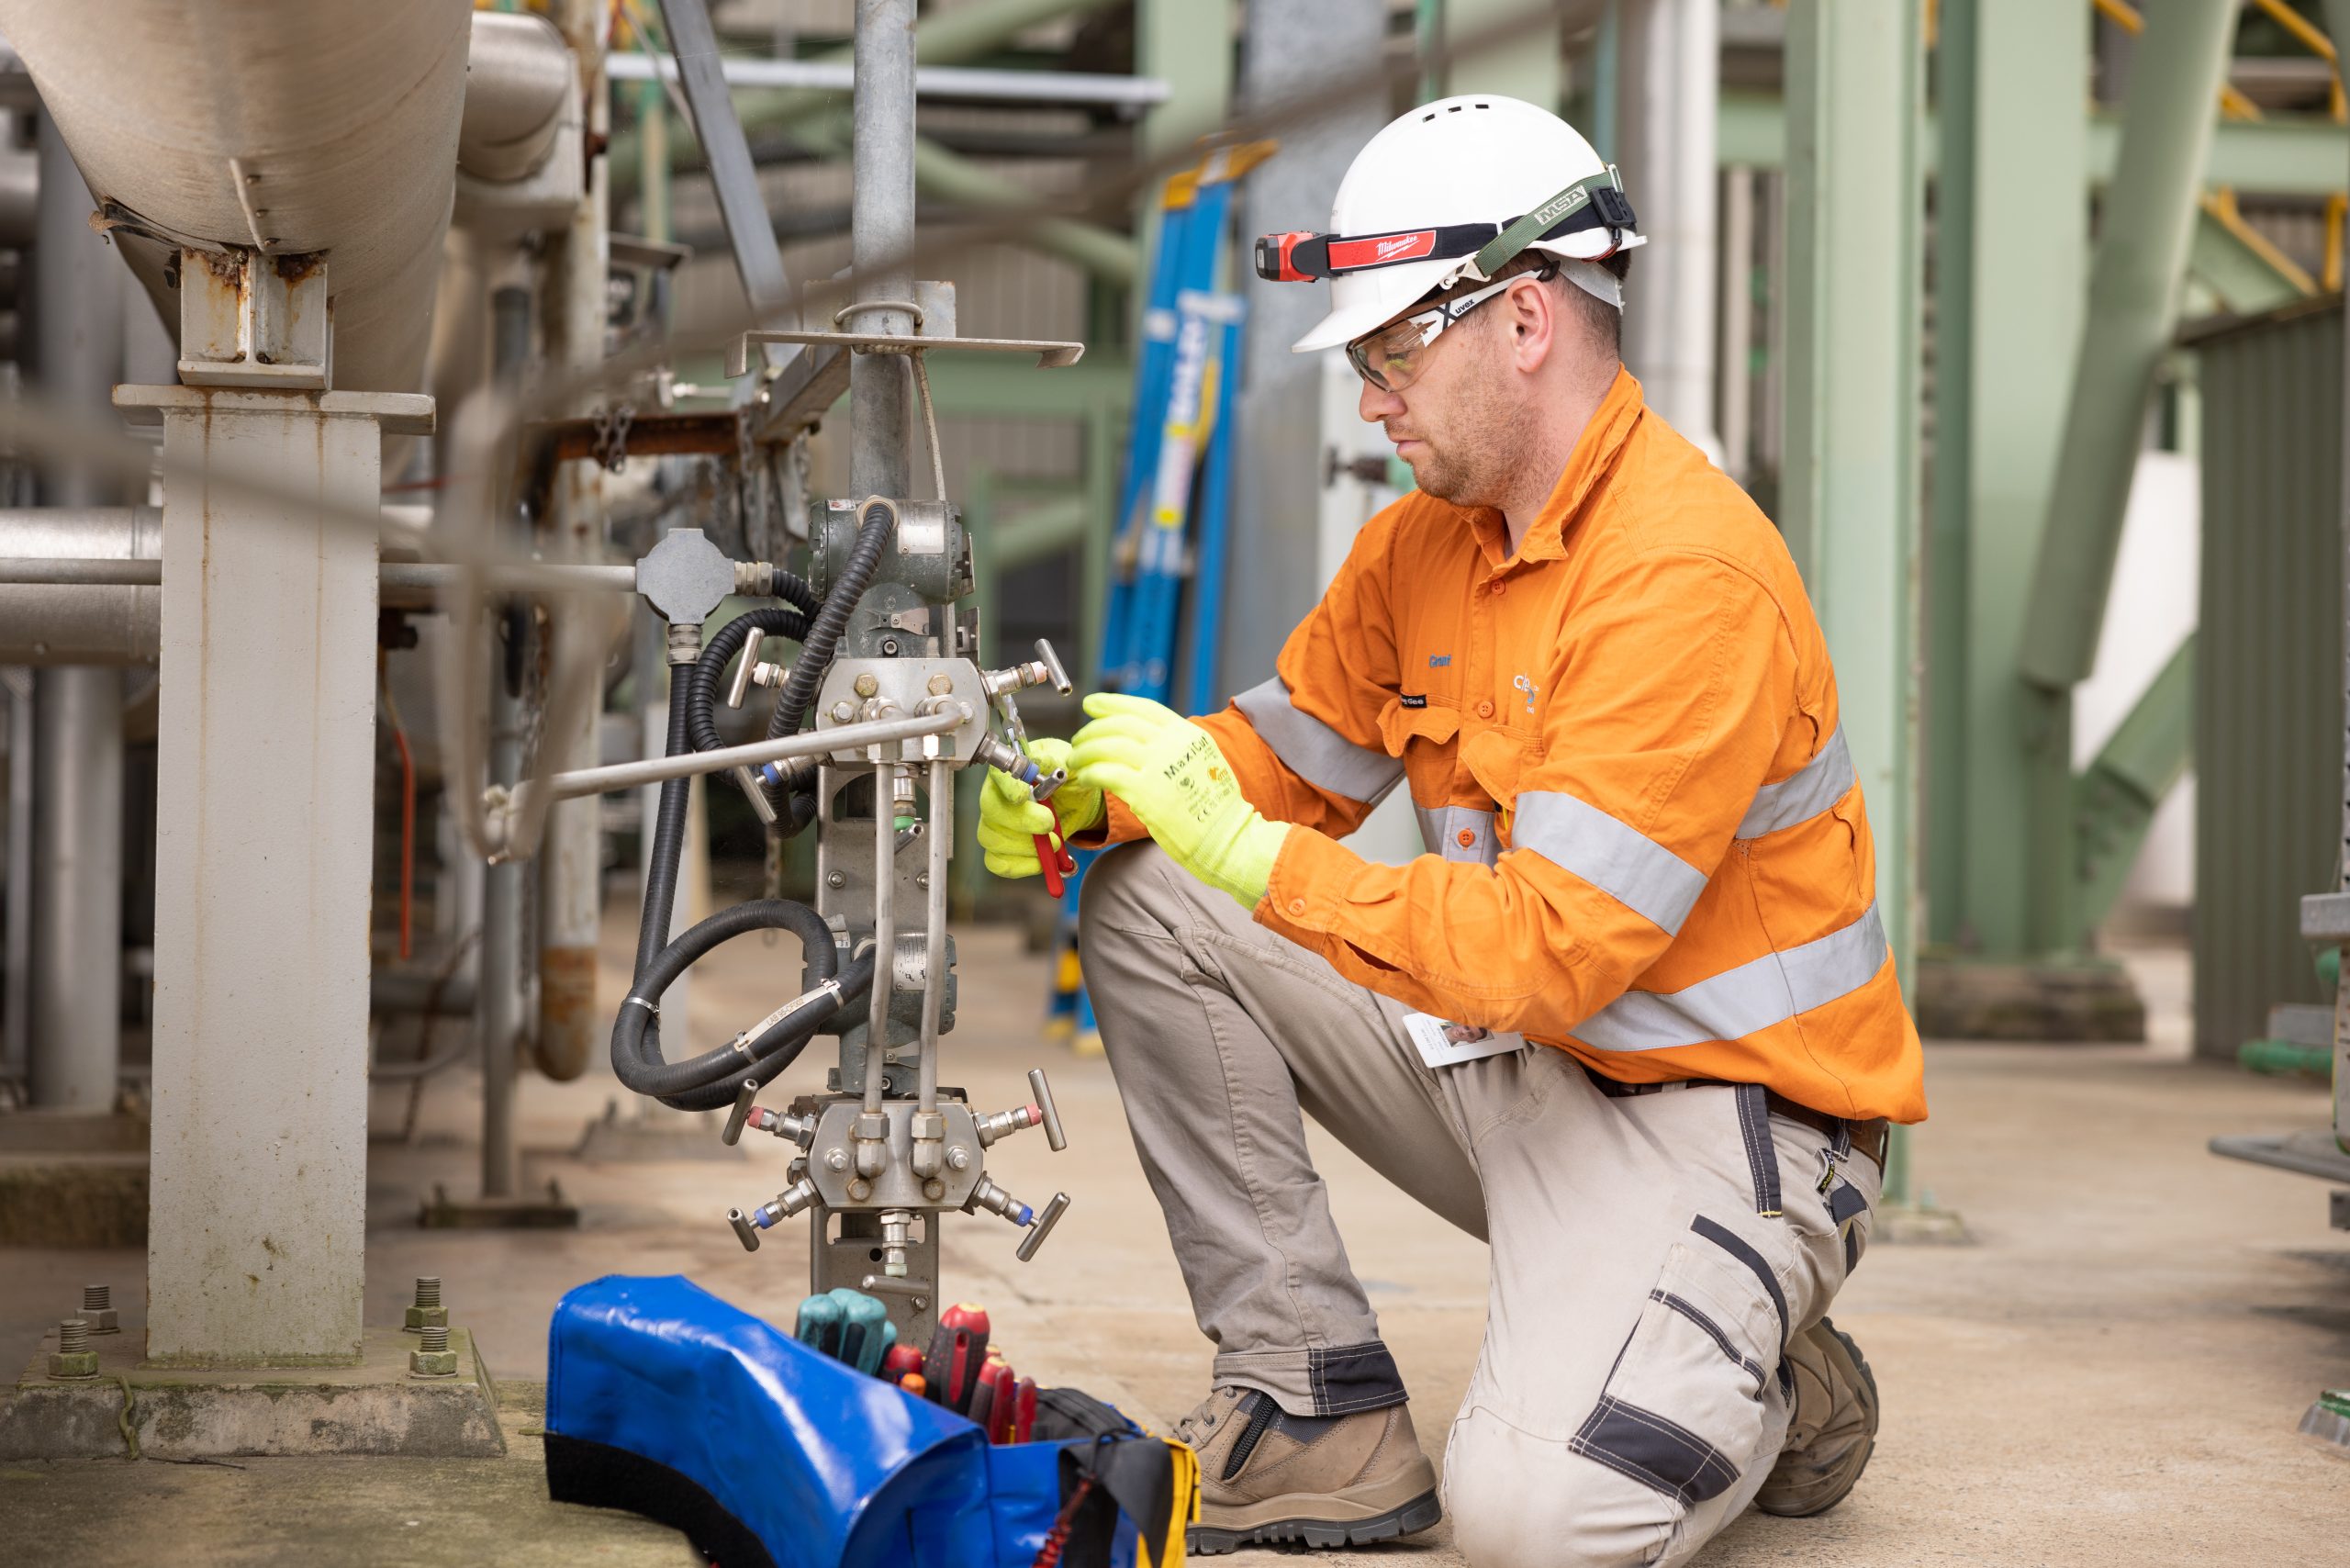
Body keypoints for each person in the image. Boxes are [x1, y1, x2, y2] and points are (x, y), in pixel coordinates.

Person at [979, 95, 1925, 1566]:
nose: (1371, 394)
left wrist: (1262, 857)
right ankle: (1315, 1411)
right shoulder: (1427, 543)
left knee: (1537, 1525)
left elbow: (1546, 951)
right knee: (1154, 894)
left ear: (1528, 318)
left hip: (1725, 1121)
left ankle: (1757, 1355)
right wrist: (1092, 798)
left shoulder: (1685, 577)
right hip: (1532, 1066)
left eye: (1393, 349)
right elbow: (1275, 764)